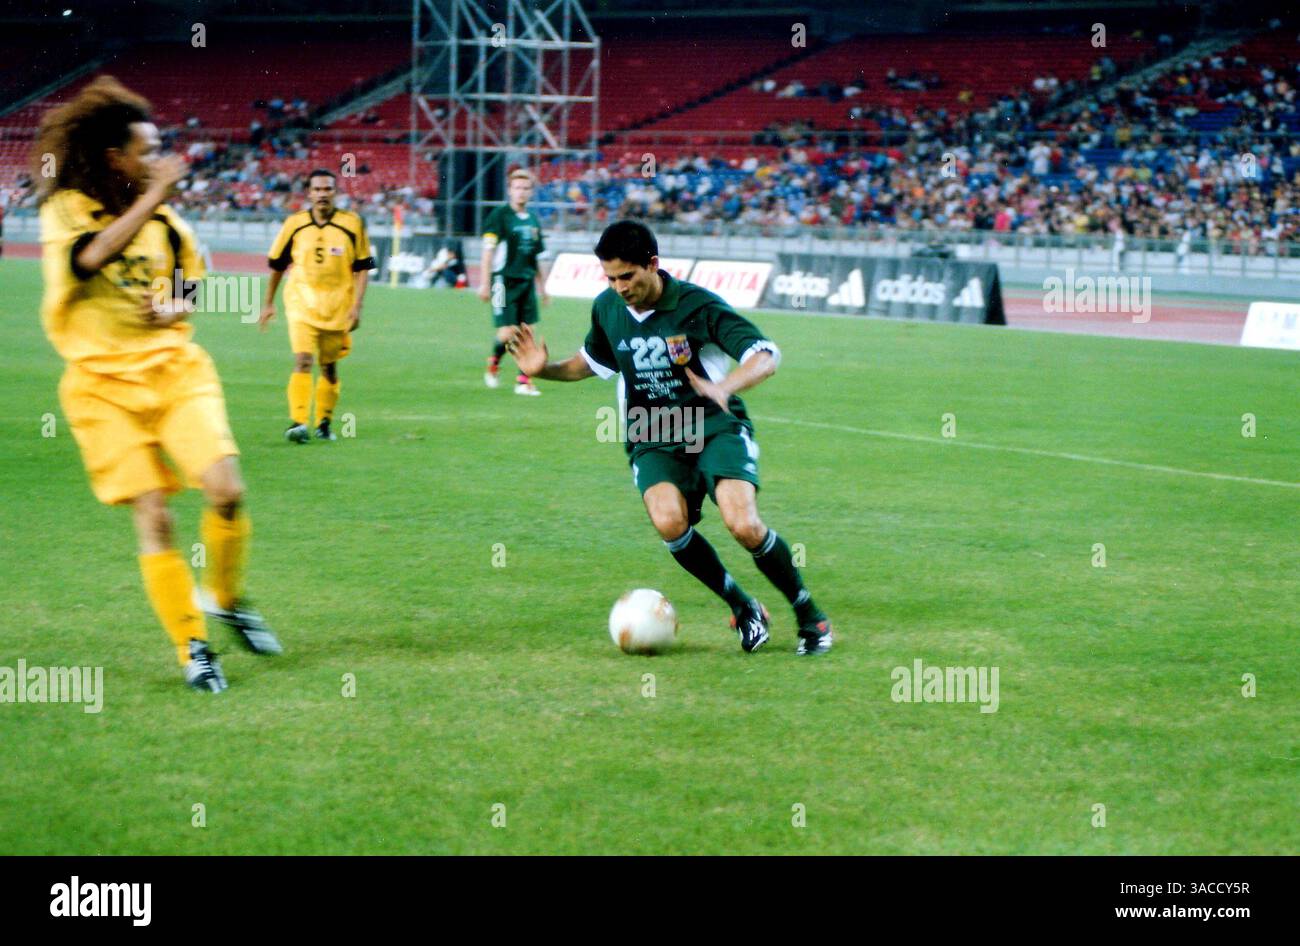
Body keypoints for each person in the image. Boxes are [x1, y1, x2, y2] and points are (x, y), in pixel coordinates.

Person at [34, 76, 281, 692]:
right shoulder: (67, 208)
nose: (161, 160)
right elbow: (86, 258)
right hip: (99, 387)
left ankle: (225, 597)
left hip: (173, 371)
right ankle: (192, 646)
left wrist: (175, 305)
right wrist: (154, 197)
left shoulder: (168, 223)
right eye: (148, 150)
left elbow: (196, 280)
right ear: (114, 157)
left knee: (226, 489)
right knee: (155, 515)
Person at [507, 220, 833, 654]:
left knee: (743, 524)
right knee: (668, 522)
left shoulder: (697, 306)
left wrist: (725, 387)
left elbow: (765, 355)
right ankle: (742, 606)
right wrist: (541, 370)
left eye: (627, 276)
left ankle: (810, 616)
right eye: (610, 277)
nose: (619, 287)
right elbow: (591, 363)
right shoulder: (607, 308)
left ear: (653, 264)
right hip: (652, 432)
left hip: (714, 424)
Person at [259, 169, 375, 442]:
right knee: (302, 360)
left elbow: (363, 268)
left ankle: (324, 422)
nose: (323, 194)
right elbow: (277, 265)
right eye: (317, 190)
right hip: (301, 303)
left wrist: (357, 306)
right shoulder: (295, 224)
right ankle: (298, 422)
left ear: (335, 193)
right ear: (309, 193)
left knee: (329, 368)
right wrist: (267, 303)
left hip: (337, 308)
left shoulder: (352, 224)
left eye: (328, 190)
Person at [479, 169, 549, 395]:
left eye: (526, 188)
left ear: (531, 192)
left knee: (528, 332)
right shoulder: (499, 216)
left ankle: (522, 382)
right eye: (517, 188)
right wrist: (484, 283)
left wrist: (544, 288)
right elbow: (488, 252)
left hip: (526, 284)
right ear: (510, 190)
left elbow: (537, 256)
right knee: (507, 332)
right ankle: (493, 364)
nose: (521, 192)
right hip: (502, 282)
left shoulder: (533, 220)